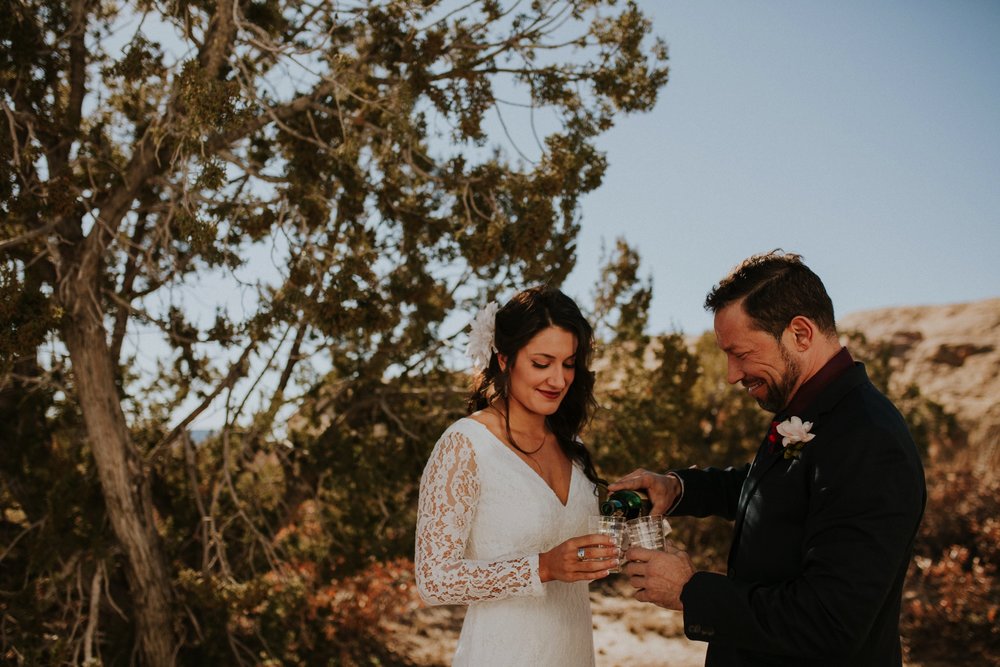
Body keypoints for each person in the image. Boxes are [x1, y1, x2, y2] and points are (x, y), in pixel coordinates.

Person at [611, 250, 927, 666]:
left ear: (800, 333)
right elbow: (772, 488)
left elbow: (830, 623)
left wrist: (692, 591)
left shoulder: (870, 440)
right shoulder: (810, 410)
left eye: (741, 353)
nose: (730, 375)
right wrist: (680, 489)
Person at [415, 286, 617, 666]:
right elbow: (434, 579)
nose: (558, 380)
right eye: (542, 363)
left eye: (569, 363)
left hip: (574, 653)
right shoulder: (464, 445)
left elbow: (575, 552)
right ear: (504, 359)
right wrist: (542, 566)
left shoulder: (569, 445)